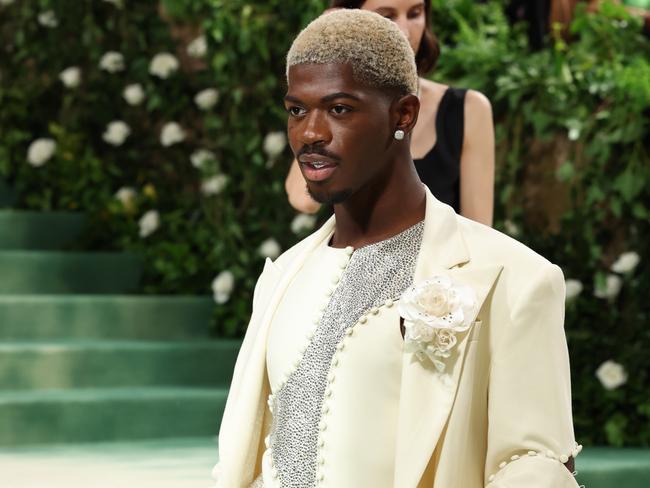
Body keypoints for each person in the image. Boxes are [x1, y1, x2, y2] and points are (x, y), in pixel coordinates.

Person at [213, 9, 580, 488]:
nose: (310, 133)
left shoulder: (512, 279)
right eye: (297, 110)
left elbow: (535, 463)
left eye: (339, 109)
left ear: (403, 114)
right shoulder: (282, 278)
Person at [285, 0, 495, 226]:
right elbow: (303, 200)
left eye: (415, 13)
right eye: (387, 16)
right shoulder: (323, 109)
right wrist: (329, 30)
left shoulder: (468, 109)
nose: (404, 31)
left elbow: (480, 233)